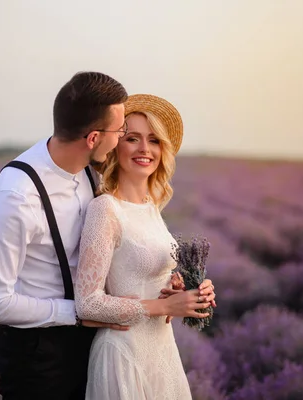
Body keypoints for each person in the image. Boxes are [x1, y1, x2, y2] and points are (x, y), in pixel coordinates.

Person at [0, 72, 215, 400]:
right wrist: (76, 312)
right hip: (38, 357)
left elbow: (121, 252)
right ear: (93, 138)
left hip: (100, 337)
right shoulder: (16, 195)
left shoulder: (95, 172)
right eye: (122, 133)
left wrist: (163, 286)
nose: (123, 140)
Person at [75, 93, 214, 400]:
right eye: (132, 138)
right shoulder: (106, 209)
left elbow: (144, 276)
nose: (144, 149)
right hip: (123, 353)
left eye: (153, 140)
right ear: (115, 146)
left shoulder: (151, 205)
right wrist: (164, 306)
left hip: (161, 351)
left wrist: (184, 290)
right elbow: (87, 303)